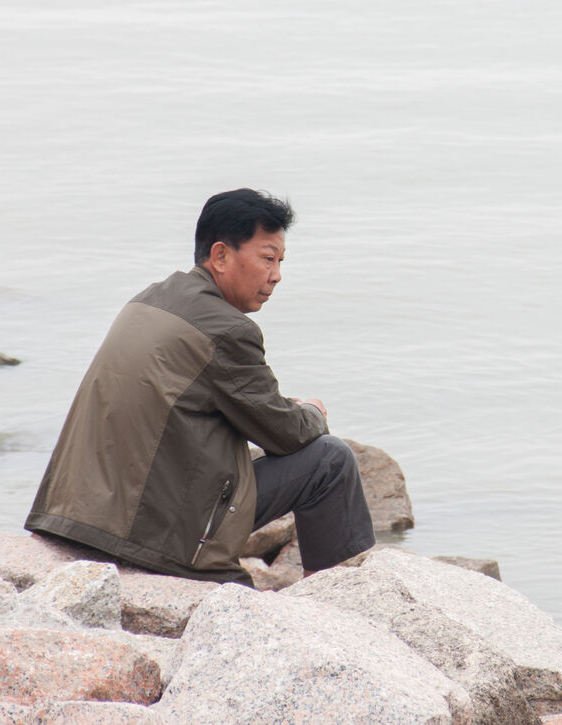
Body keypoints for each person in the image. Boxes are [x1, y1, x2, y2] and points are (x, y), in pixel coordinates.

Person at [25, 188, 374, 584]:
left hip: (73, 517)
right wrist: (311, 411)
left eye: (280, 261)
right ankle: (325, 601)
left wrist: (280, 410)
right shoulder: (227, 329)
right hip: (149, 537)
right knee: (330, 461)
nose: (276, 275)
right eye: (267, 258)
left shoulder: (148, 299)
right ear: (221, 255)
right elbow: (287, 433)